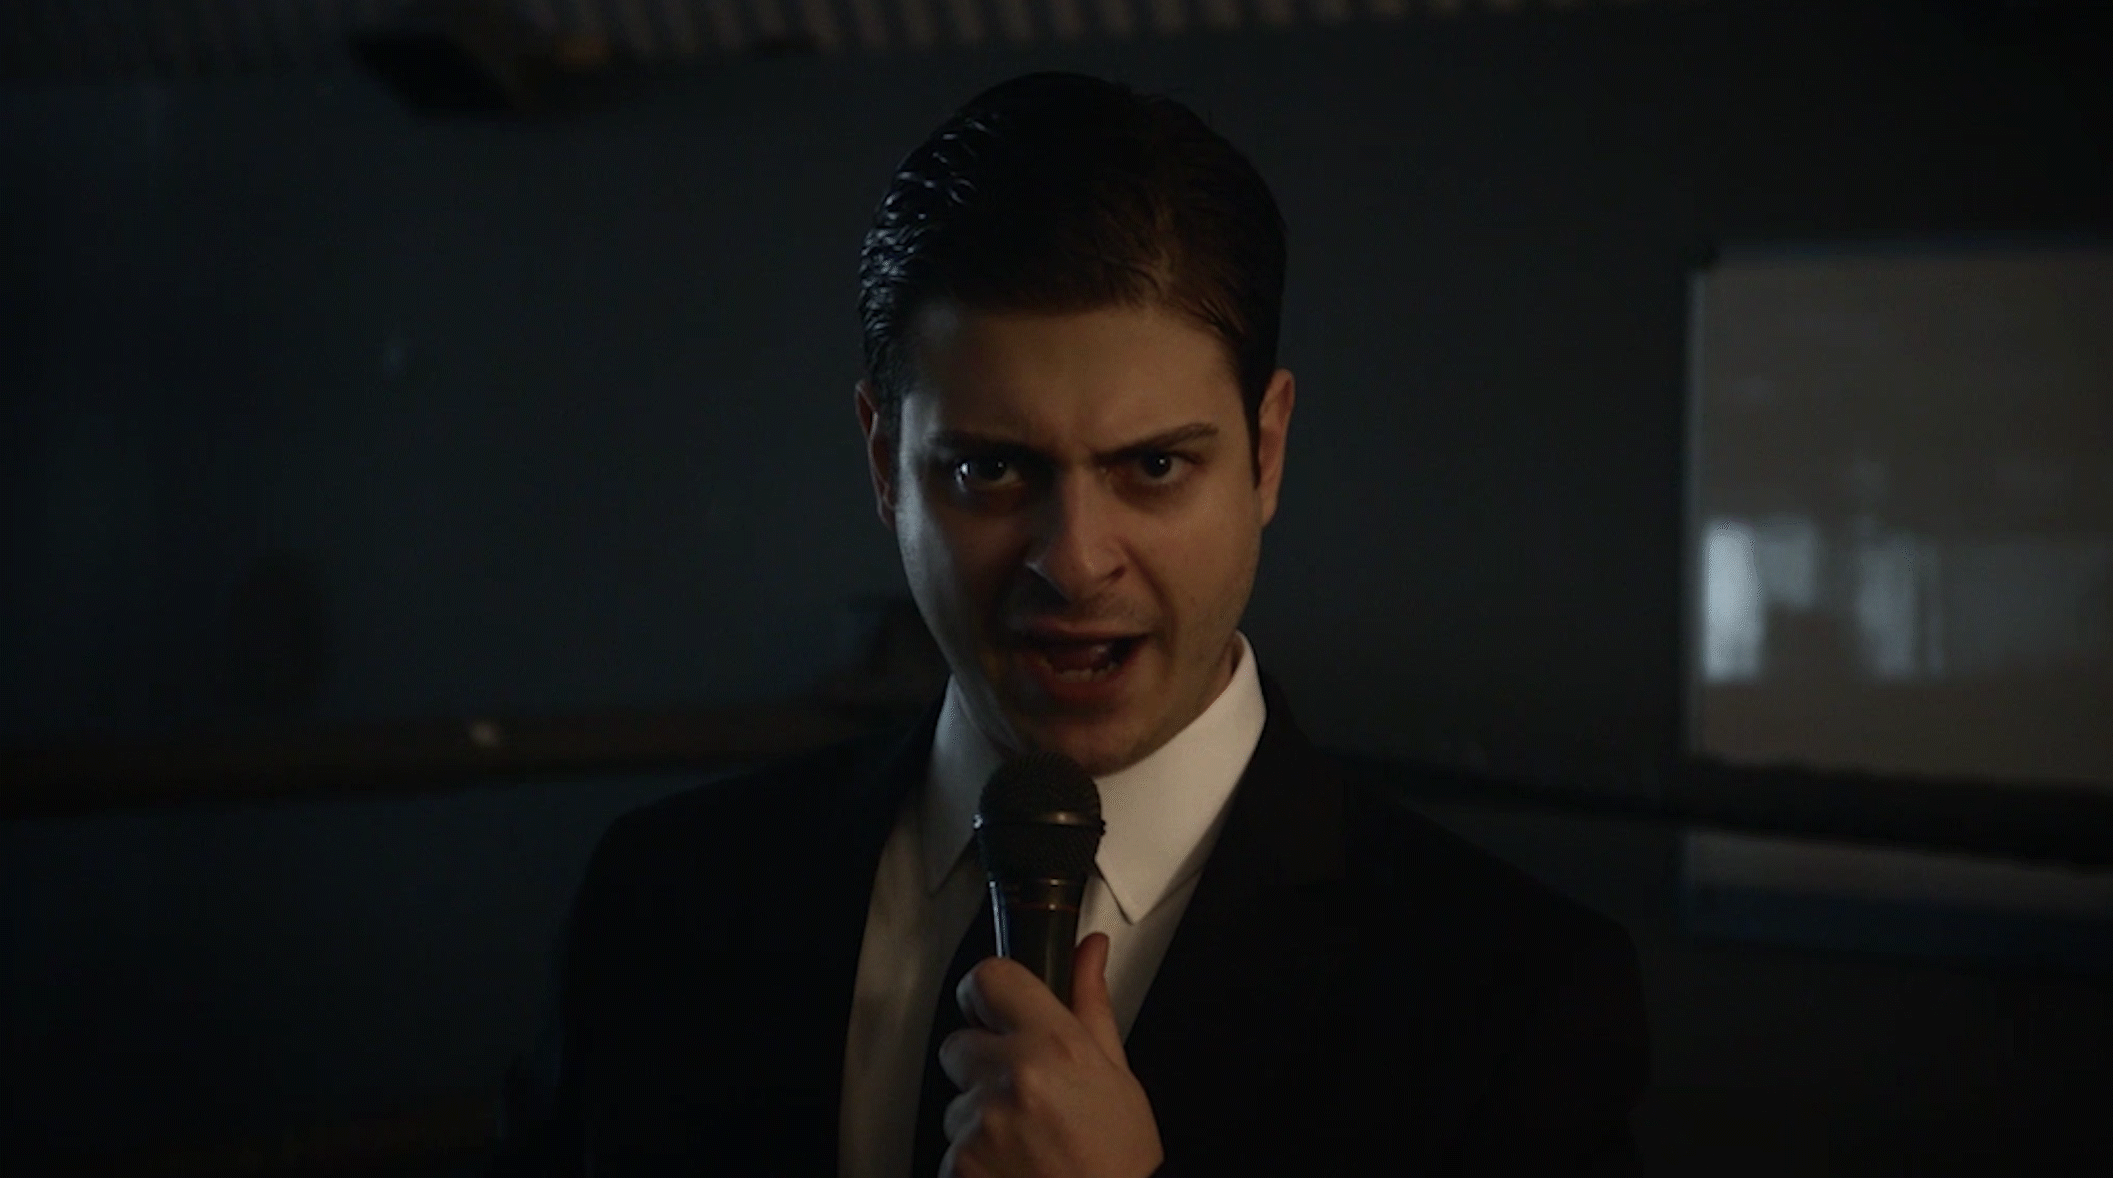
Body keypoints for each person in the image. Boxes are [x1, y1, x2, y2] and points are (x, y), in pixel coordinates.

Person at [488, 71, 1649, 1178]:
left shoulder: (1511, 997)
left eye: (1154, 465)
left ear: (1266, 452)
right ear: (885, 461)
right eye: (991, 470)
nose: (1074, 560)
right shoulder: (662, 900)